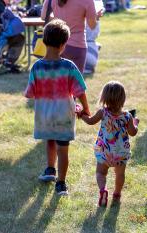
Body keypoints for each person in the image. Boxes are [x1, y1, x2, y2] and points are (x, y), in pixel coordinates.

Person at [24, 19, 90, 195]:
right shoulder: (68, 66)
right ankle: (61, 182)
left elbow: (29, 93)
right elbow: (80, 90)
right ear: (63, 44)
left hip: (44, 115)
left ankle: (50, 169)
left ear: (43, 41)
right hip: (63, 115)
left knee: (49, 141)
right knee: (63, 148)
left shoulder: (37, 67)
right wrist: (86, 109)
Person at [78, 81, 139, 207]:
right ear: (123, 98)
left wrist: (81, 114)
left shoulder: (103, 113)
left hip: (105, 150)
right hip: (121, 152)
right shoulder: (127, 116)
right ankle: (117, 194)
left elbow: (90, 121)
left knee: (101, 173)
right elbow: (133, 133)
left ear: (104, 98)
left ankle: (103, 190)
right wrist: (135, 123)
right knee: (120, 174)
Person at [41, 0, 102, 73]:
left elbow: (43, 16)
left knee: (57, 81)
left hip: (56, 45)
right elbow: (92, 26)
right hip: (77, 47)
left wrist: (59, 20)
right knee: (75, 82)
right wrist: (96, 17)